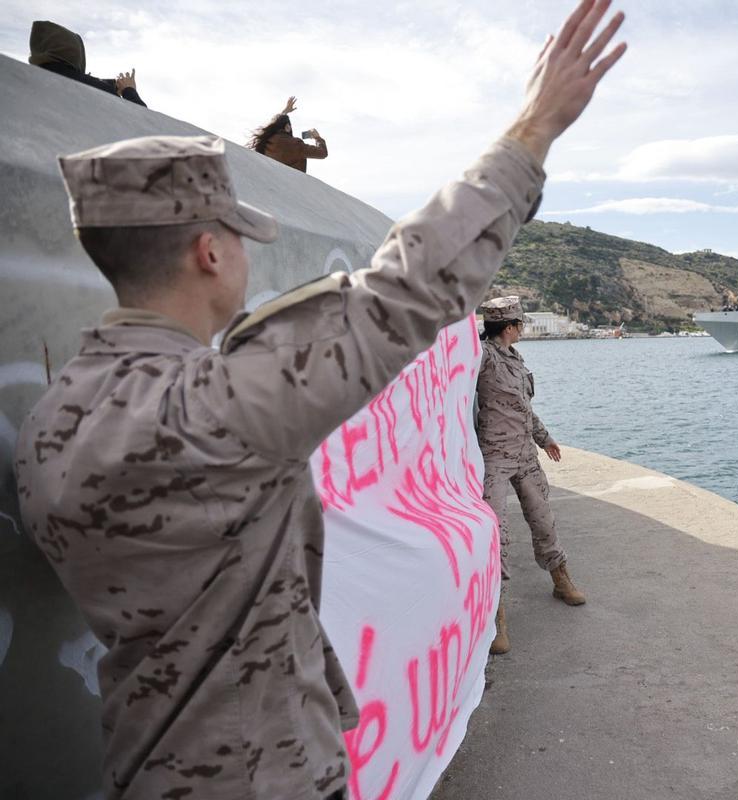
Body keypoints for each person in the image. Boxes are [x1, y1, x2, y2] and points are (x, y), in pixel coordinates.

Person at [13, 2, 625, 798]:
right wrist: (534, 128)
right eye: (237, 236)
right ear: (209, 252)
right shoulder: (214, 407)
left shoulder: (49, 426)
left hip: (145, 766)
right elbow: (407, 289)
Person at [476, 296, 585, 656]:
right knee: (497, 536)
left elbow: (525, 408)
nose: (523, 329)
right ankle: (497, 615)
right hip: (494, 457)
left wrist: (545, 438)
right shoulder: (484, 356)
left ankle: (560, 579)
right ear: (508, 328)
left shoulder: (515, 359)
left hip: (525, 454)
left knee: (544, 521)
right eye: (520, 324)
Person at [28, 20, 147, 107]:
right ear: (74, 51)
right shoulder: (99, 90)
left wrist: (108, 83)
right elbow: (144, 125)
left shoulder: (27, 80)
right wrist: (129, 90)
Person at [249, 96, 328, 172]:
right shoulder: (295, 144)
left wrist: (284, 112)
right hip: (292, 183)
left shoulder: (266, 141)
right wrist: (318, 138)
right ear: (287, 127)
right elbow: (322, 153)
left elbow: (274, 123)